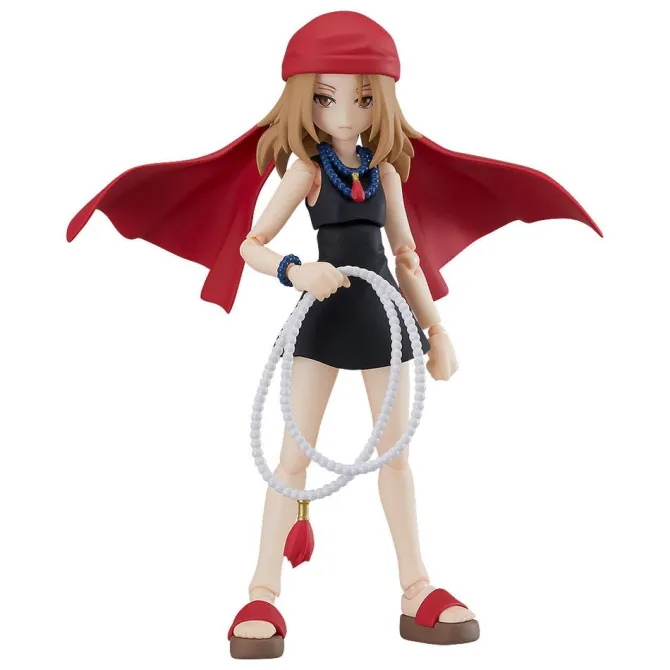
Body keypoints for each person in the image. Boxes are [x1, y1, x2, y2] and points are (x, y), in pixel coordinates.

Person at [67, 11, 600, 660]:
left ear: (384, 99)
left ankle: (416, 587)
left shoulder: (386, 172)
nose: (345, 112)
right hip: (322, 314)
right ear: (304, 100)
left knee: (395, 456)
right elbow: (252, 245)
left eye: (363, 97)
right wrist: (297, 270)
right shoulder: (308, 171)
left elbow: (407, 256)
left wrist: (436, 328)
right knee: (293, 458)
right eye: (326, 97)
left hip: (382, 316)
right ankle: (263, 590)